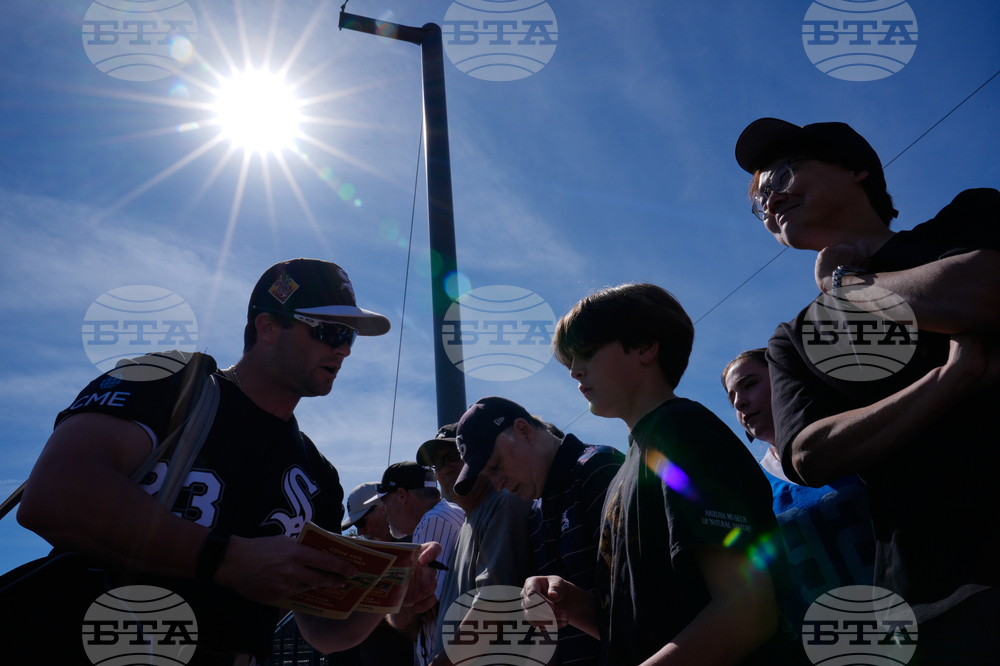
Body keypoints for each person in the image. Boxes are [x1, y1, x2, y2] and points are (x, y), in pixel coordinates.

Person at [14, 258, 440, 665]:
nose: (344, 349)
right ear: (267, 326)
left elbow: (320, 629)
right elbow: (54, 496)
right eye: (330, 331)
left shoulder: (318, 474)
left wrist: (389, 597)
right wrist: (228, 559)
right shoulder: (170, 385)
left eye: (350, 336)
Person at [735, 118, 1000, 663]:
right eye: (760, 201)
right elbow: (808, 453)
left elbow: (984, 292)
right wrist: (947, 380)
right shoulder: (793, 338)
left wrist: (848, 288)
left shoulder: (965, 219)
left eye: (782, 175)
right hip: (929, 599)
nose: (771, 200)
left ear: (857, 169)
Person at [525, 283, 796, 666]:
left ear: (644, 346)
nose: (574, 371)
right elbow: (636, 631)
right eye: (570, 360)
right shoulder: (628, 469)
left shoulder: (681, 431)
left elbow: (747, 612)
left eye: (586, 351)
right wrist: (569, 600)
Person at [452, 396, 623, 666]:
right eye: (487, 476)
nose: (497, 485)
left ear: (523, 430)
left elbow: (639, 609)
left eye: (496, 466)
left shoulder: (598, 470)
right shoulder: (536, 509)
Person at [721, 349, 875, 632]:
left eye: (749, 384)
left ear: (784, 377)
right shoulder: (752, 488)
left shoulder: (852, 438)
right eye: (732, 399)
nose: (740, 402)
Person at [415, 423, 536, 666]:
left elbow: (495, 606)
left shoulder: (504, 504)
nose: (446, 468)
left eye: (454, 455)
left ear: (480, 456)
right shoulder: (467, 522)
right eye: (438, 464)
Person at [367, 462, 465, 666]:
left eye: (385, 501)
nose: (384, 511)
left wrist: (401, 611)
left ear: (402, 496)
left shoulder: (433, 520)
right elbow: (415, 612)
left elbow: (405, 617)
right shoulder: (450, 512)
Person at [342, 482, 417, 666]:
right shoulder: (364, 557)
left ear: (383, 508)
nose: (359, 531)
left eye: (361, 522)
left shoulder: (415, 544)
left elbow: (411, 615)